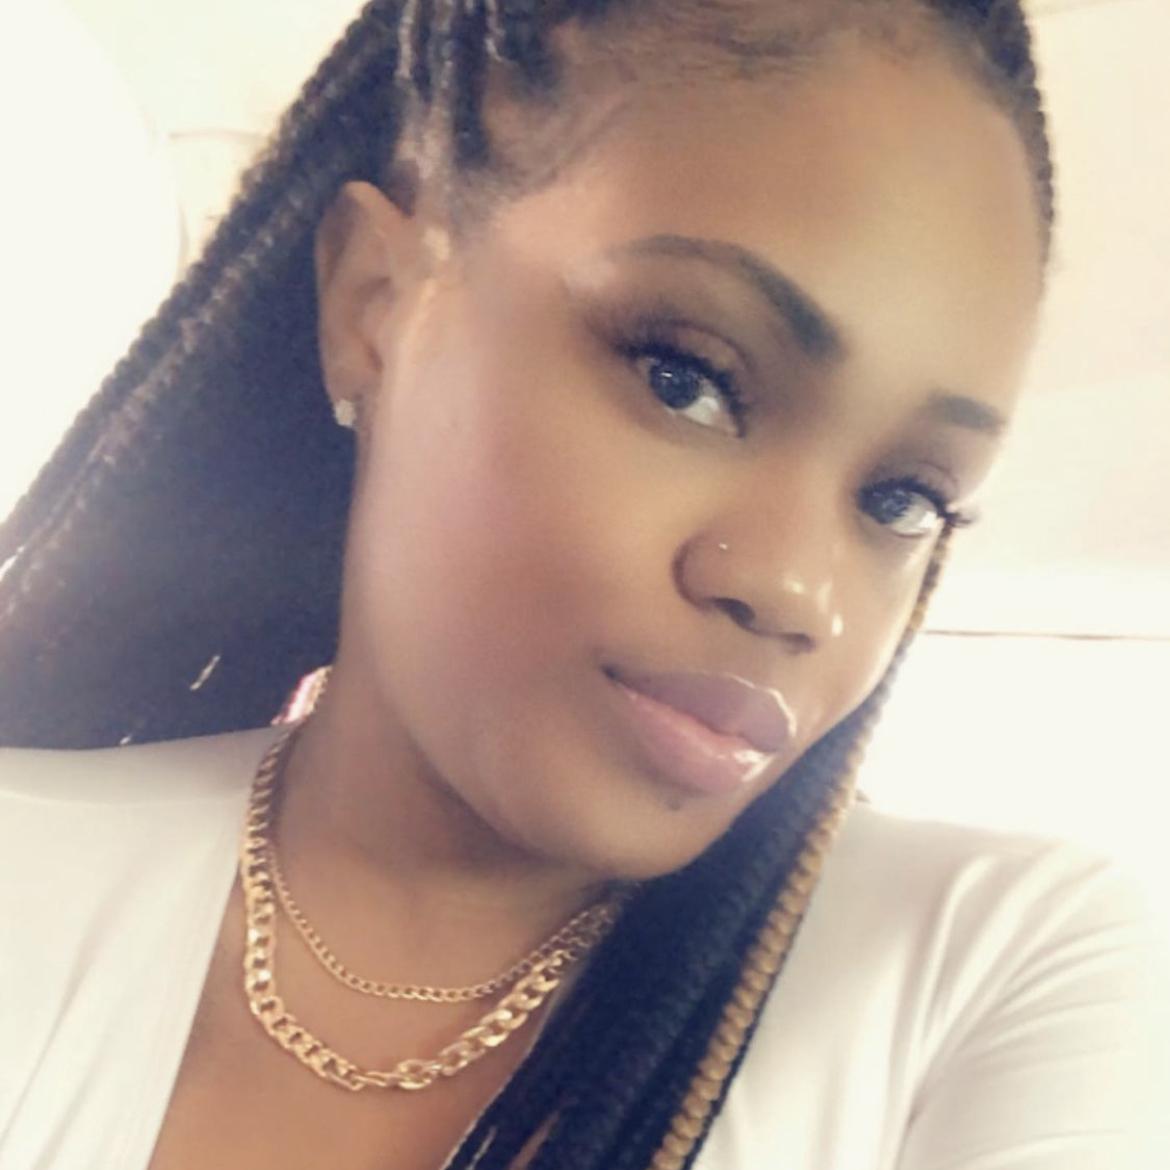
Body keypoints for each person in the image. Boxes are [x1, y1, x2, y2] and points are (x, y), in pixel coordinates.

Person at [0, 1, 1165, 1168]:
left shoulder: (998, 974)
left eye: (904, 499)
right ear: (376, 301)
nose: (799, 591)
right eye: (687, 378)